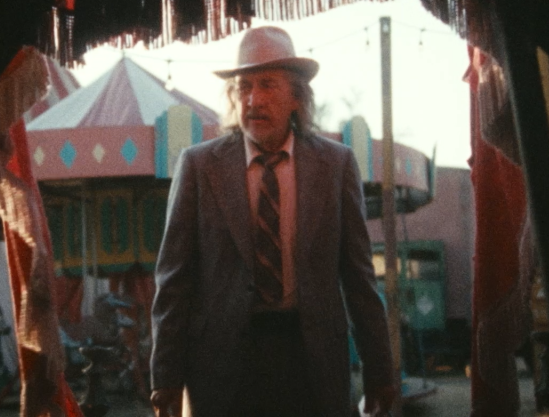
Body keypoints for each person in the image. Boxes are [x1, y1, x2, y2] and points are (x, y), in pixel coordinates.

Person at [150, 26, 395, 417]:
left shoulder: (335, 165)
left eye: (267, 85)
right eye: (244, 87)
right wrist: (165, 380)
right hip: (221, 370)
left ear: (297, 97)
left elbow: (359, 278)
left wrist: (379, 373)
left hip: (312, 365)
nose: (253, 99)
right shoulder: (199, 166)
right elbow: (174, 282)